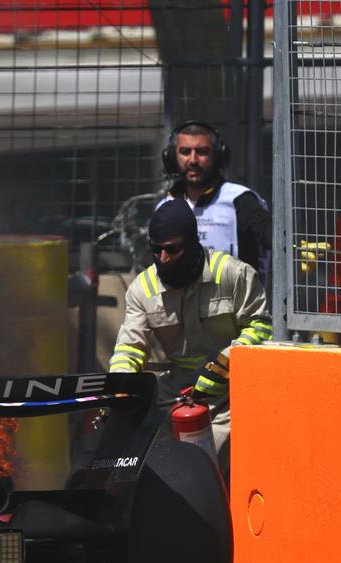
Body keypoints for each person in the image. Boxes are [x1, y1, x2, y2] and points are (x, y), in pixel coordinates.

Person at [108, 199, 272, 479]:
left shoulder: (233, 274)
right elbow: (130, 347)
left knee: (204, 467)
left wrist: (226, 363)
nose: (163, 258)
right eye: (156, 249)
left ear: (192, 241)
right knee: (146, 463)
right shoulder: (141, 289)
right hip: (176, 394)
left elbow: (262, 326)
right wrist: (119, 387)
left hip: (231, 394)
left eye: (172, 249)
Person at [158, 121, 272, 280]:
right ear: (171, 157)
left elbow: (271, 234)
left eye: (202, 152)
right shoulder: (166, 205)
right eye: (185, 151)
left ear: (218, 155)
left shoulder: (238, 199)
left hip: (236, 302)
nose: (193, 160)